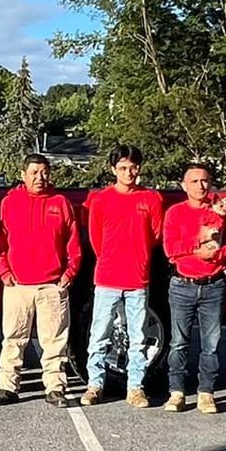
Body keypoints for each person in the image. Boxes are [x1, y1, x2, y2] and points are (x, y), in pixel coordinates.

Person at [0, 153, 80, 407]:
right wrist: (3, 271)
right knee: (13, 338)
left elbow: (73, 243)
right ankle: (7, 387)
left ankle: (55, 388)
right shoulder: (10, 202)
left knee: (54, 341)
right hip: (17, 285)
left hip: (52, 285)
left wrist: (69, 273)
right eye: (33, 172)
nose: (39, 178)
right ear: (23, 175)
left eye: (44, 172)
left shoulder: (61, 203)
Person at [81, 144, 164, 409]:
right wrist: (109, 258)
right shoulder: (101, 199)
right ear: (113, 169)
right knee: (99, 335)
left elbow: (154, 235)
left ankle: (135, 387)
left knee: (137, 336)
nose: (129, 173)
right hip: (107, 278)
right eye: (123, 168)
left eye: (133, 167)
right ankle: (95, 384)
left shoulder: (151, 199)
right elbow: (95, 238)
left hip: (138, 279)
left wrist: (136, 256)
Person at [160, 162, 226, 414]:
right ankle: (177, 392)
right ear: (184, 186)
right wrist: (198, 244)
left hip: (213, 285)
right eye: (194, 181)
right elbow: (170, 248)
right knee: (178, 342)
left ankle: (206, 392)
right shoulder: (175, 213)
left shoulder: (222, 213)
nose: (200, 186)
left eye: (205, 180)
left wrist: (218, 256)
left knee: (211, 343)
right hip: (182, 284)